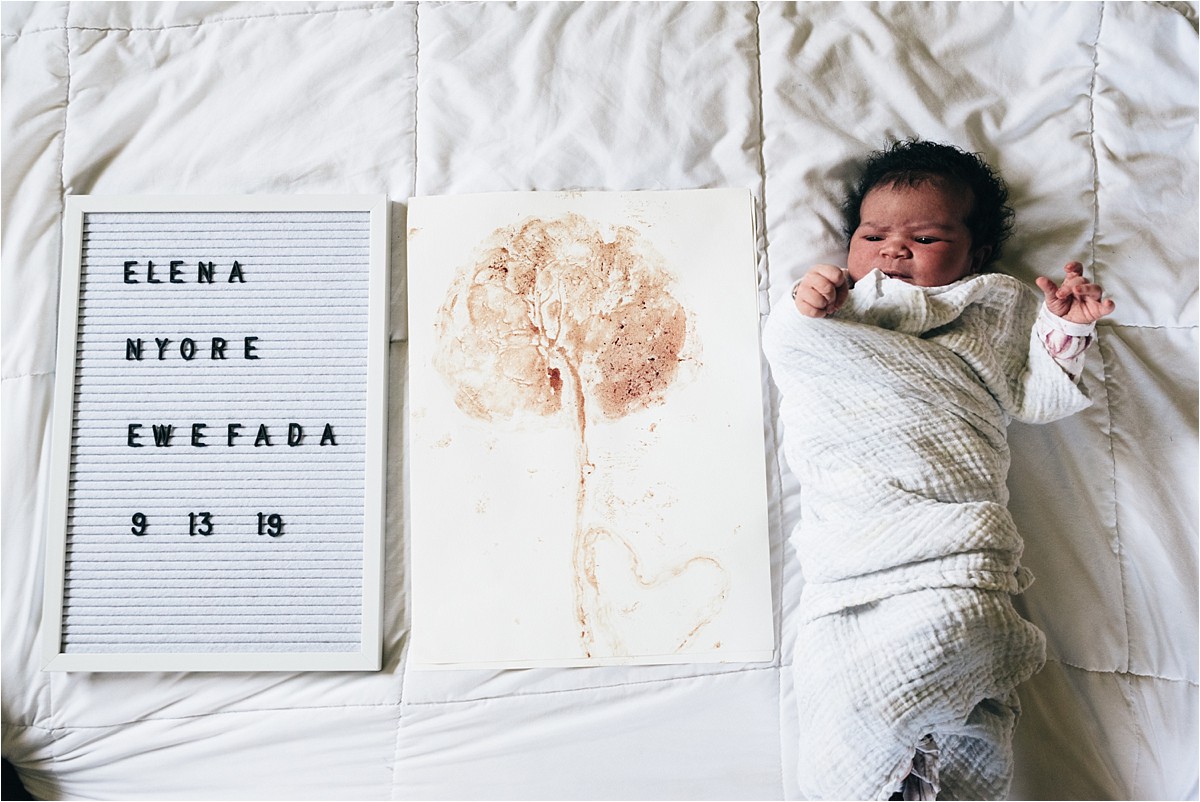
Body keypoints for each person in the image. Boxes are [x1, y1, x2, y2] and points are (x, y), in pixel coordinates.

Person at [762, 139, 1114, 800]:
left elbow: (1034, 397)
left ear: (974, 255)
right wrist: (804, 308)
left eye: (924, 236)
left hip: (952, 549)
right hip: (852, 561)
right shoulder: (836, 312)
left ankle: (905, 769)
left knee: (932, 649)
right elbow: (791, 348)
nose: (894, 250)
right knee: (842, 695)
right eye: (872, 235)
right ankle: (916, 772)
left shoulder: (989, 310)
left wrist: (1066, 333)